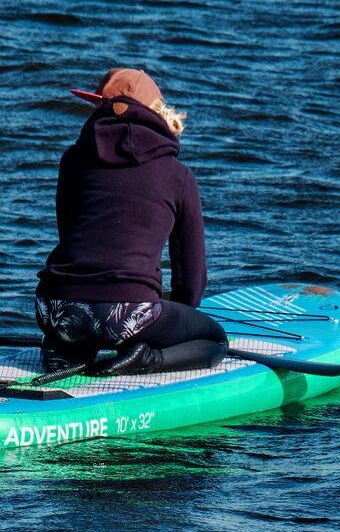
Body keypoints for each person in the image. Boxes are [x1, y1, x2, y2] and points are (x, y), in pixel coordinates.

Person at [35, 68, 227, 375]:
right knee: (215, 340)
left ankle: (63, 349)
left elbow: (69, 236)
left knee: (89, 315)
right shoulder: (178, 176)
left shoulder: (71, 161)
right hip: (125, 315)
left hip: (52, 308)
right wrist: (167, 332)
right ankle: (144, 358)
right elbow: (192, 279)